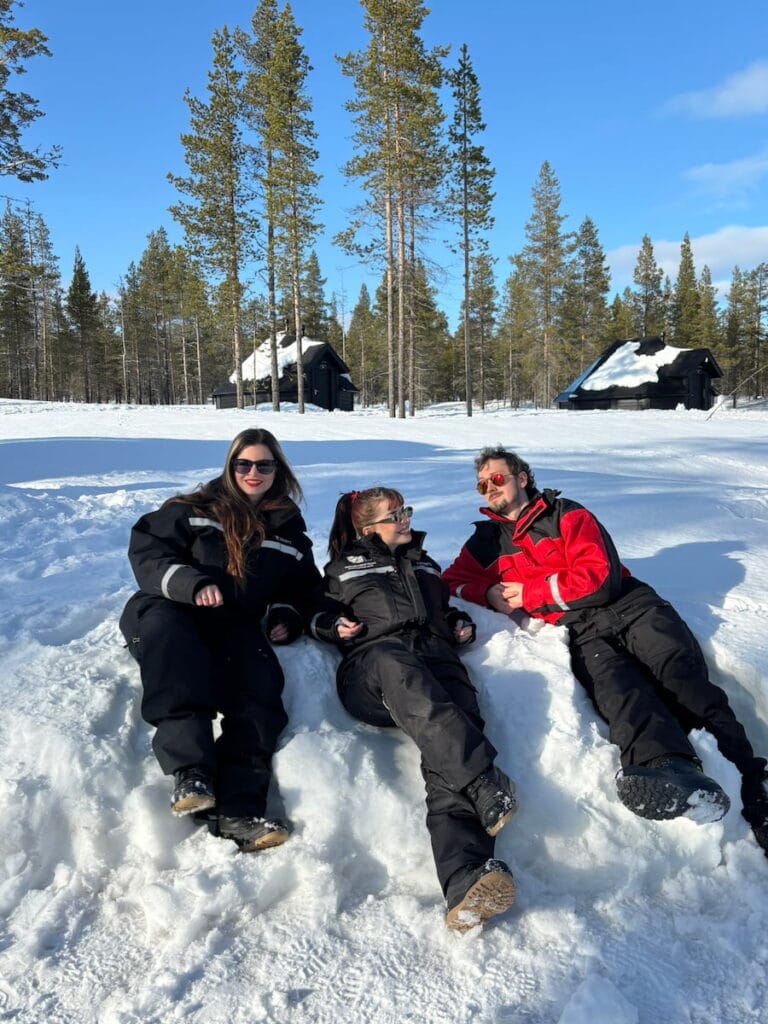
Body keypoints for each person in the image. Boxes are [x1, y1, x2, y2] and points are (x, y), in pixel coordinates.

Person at [443, 447, 768, 855]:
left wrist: (532, 592)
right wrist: (486, 590)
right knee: (620, 693)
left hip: (631, 608)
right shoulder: (486, 541)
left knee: (684, 684)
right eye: (481, 484)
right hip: (581, 629)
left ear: (521, 478)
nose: (489, 488)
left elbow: (599, 579)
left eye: (497, 478)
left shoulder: (566, 515)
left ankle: (756, 791)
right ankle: (668, 769)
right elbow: (451, 579)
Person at [309, 487, 517, 932]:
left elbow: (443, 610)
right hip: (373, 669)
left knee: (447, 745)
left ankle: (466, 879)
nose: (405, 518)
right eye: (395, 514)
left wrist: (458, 624)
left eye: (406, 510)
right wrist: (332, 625)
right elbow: (317, 611)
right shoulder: (344, 567)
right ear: (368, 528)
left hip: (438, 664)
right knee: (402, 672)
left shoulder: (424, 563)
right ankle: (482, 778)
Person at [119, 427, 321, 853]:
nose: (253, 472)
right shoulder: (193, 508)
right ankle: (191, 771)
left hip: (232, 621)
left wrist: (286, 614)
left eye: (263, 464)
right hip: (169, 608)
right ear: (230, 467)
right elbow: (149, 551)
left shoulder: (287, 529)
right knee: (176, 651)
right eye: (242, 463)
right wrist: (190, 584)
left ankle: (238, 809)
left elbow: (303, 587)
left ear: (277, 469)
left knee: (260, 687)